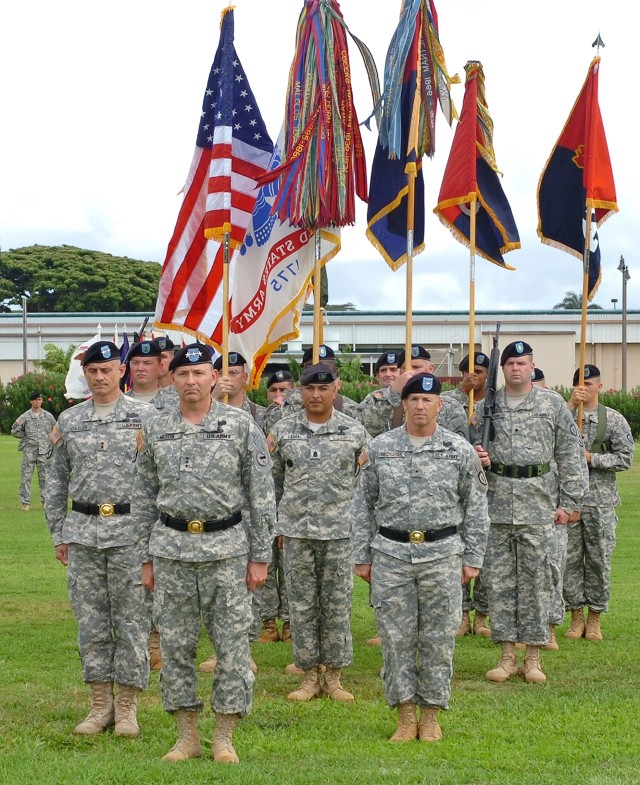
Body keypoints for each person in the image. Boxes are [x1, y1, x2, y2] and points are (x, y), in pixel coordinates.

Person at [135, 343, 275, 764]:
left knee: (232, 646)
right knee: (176, 647)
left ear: (215, 378)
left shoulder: (240, 425)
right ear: (171, 378)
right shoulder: (156, 427)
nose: (191, 381)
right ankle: (186, 736)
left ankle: (224, 737)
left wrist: (259, 556)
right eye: (183, 374)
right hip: (172, 551)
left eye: (199, 373)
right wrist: (145, 558)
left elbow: (261, 494)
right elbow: (143, 496)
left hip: (227, 550)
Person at [353, 373, 489, 742]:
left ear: (439, 406)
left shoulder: (458, 449)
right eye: (412, 399)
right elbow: (362, 505)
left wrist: (473, 558)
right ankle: (404, 714)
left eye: (427, 400)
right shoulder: (380, 448)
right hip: (391, 555)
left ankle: (430, 715)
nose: (419, 406)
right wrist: (361, 556)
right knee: (395, 638)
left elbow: (476, 508)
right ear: (404, 404)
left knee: (438, 638)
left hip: (443, 554)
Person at [44, 341, 152, 737]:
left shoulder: (148, 417)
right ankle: (99, 705)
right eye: (93, 371)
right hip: (83, 535)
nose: (100, 376)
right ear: (85, 375)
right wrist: (59, 534)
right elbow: (54, 483)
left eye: (107, 369)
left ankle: (126, 708)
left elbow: (159, 482)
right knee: (91, 624)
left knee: (132, 622)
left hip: (130, 535)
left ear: (121, 372)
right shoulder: (69, 421)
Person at [476, 341, 586, 684]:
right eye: (509, 364)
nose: (515, 369)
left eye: (521, 363)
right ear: (502, 369)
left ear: (531, 365)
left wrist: (570, 503)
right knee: (500, 583)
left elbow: (569, 453)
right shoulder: (486, 407)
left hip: (539, 503)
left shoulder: (552, 405)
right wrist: (476, 455)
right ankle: (507, 655)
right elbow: (470, 450)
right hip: (496, 504)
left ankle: (534, 657)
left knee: (538, 583)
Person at [268, 363, 370, 703]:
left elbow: (366, 482)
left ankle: (335, 677)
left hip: (339, 534)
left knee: (337, 606)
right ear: (300, 390)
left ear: (336, 388)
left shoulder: (355, 432)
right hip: (296, 533)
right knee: (302, 606)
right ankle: (309, 675)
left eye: (323, 388)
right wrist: (279, 525)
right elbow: (273, 482)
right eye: (310, 388)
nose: (316, 394)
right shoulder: (283, 431)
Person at [198, 350, 265, 674]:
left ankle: (244, 647)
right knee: (215, 589)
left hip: (250, 512)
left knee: (247, 586)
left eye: (236, 372)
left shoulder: (257, 416)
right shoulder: (204, 415)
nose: (229, 377)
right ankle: (216, 648)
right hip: (217, 513)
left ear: (246, 377)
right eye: (223, 372)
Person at [563, 364, 634, 641]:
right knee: (569, 561)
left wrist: (593, 459)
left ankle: (594, 618)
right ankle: (575, 616)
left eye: (590, 384)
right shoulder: (566, 416)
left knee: (598, 560)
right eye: (580, 384)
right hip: (570, 500)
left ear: (600, 386)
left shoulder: (613, 420)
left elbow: (625, 458)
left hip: (599, 502)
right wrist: (570, 405)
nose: (585, 389)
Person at [444, 352, 491, 638]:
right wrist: (464, 392)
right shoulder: (449, 401)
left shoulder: (497, 403)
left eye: (482, 371)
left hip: (490, 484)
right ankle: (461, 613)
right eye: (470, 371)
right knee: (458, 548)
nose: (476, 376)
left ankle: (482, 614)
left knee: (483, 551)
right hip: (454, 483)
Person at [255, 369, 295, 645]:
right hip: (266, 499)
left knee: (292, 566)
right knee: (265, 564)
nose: (279, 395)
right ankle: (267, 622)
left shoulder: (300, 421)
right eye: (273, 390)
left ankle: (292, 622)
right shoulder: (261, 419)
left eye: (285, 390)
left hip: (294, 505)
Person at [356, 345, 469, 440]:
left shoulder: (451, 406)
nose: (411, 372)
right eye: (405, 368)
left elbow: (458, 445)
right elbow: (362, 430)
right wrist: (394, 394)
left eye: (416, 367)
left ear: (430, 369)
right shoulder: (381, 399)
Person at [262, 345, 360, 432]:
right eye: (311, 369)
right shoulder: (284, 401)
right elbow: (266, 430)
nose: (317, 373)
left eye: (325, 369)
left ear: (335, 372)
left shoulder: (350, 408)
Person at [11, 390, 56, 511]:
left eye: (39, 399)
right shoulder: (25, 416)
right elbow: (14, 431)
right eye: (35, 399)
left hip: (44, 452)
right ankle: (25, 503)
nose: (37, 402)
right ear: (31, 401)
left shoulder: (48, 416)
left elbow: (55, 431)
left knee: (45, 478)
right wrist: (26, 437)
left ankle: (45, 502)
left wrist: (53, 444)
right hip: (29, 452)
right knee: (26, 477)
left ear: (42, 401)